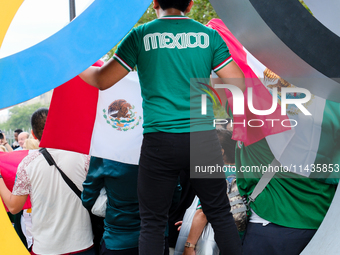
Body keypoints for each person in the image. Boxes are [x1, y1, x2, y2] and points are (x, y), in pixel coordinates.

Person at [79, 1, 245, 254]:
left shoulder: (140, 35)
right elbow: (237, 83)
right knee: (219, 212)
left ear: (155, 2)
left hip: (159, 141)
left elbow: (102, 80)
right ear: (190, 4)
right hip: (202, 139)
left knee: (153, 223)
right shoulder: (209, 36)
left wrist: (73, 66)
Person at [0, 108, 95, 255]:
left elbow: (14, 207)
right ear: (61, 126)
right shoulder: (84, 157)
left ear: (32, 134)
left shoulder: (27, 164)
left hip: (45, 248)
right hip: (83, 244)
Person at [82, 157, 140, 255]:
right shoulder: (161, 150)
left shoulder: (105, 153)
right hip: (157, 236)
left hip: (118, 238)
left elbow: (88, 199)